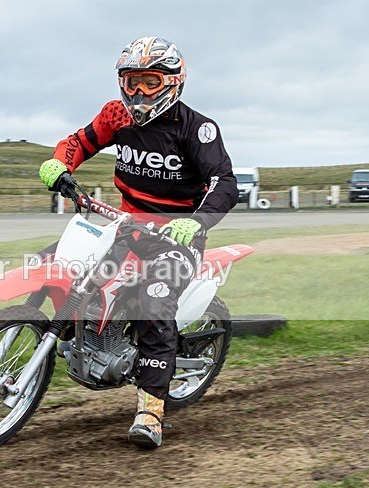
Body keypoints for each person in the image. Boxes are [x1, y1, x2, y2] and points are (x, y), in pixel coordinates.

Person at [38, 36, 238, 449]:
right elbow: (80, 140)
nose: (139, 93)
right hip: (126, 226)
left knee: (152, 302)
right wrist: (61, 161)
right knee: (62, 264)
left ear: (173, 81)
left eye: (150, 82)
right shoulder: (117, 115)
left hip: (175, 237)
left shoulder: (196, 129)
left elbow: (225, 183)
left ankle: (150, 410)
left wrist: (196, 222)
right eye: (131, 82)